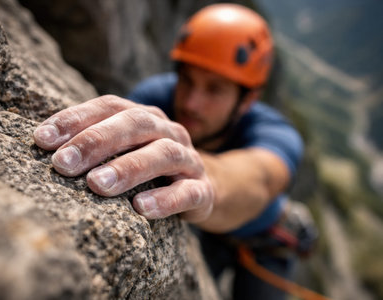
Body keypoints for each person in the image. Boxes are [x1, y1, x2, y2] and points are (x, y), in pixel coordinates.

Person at [34, 4, 315, 299]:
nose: (192, 102)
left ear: (247, 100)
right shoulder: (155, 96)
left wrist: (206, 180)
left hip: (261, 238)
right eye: (187, 79)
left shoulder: (276, 134)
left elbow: (257, 178)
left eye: (215, 90)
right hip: (204, 228)